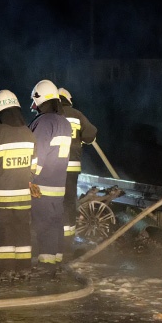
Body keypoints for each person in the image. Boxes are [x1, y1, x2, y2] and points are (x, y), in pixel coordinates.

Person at [0, 90, 39, 277]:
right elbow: (34, 165)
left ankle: (5, 271)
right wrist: (29, 180)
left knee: (3, 233)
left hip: (1, 196)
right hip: (23, 196)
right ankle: (24, 270)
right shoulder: (28, 133)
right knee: (23, 233)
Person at [28, 80, 73, 268]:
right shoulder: (64, 122)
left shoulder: (44, 122)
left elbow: (37, 153)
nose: (34, 106)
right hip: (58, 184)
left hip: (42, 184)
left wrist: (29, 178)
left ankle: (46, 265)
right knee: (56, 223)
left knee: (44, 225)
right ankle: (56, 259)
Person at [57, 87, 98, 253]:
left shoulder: (48, 116)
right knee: (68, 202)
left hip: (51, 169)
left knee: (51, 203)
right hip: (71, 168)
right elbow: (90, 136)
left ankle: (51, 238)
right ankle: (67, 241)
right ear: (69, 100)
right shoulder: (77, 115)